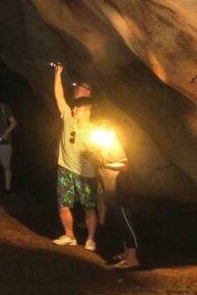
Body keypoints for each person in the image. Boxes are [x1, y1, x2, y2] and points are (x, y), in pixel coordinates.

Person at [52, 64, 98, 251]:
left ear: (86, 111)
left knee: (88, 207)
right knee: (63, 204)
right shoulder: (68, 119)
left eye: (77, 109)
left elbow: (101, 153)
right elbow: (59, 97)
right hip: (65, 168)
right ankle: (69, 235)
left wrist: (94, 155)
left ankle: (91, 239)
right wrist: (58, 75)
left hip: (85, 173)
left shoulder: (94, 131)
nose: (73, 111)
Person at [88, 121, 140, 269]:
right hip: (110, 191)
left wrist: (104, 165)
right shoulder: (102, 147)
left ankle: (133, 259)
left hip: (121, 190)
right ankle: (126, 254)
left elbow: (124, 165)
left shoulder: (114, 144)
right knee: (119, 223)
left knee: (126, 224)